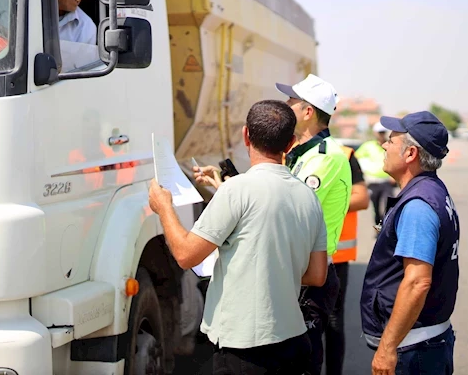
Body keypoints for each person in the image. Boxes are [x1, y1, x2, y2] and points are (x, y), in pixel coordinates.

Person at [148, 100, 328, 375]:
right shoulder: (308, 196)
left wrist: (164, 208)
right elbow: (317, 275)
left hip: (244, 348)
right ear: (290, 143)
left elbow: (185, 255)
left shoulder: (236, 190)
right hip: (294, 341)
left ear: (246, 135)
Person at [360, 111, 459, 375]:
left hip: (413, 350)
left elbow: (417, 282)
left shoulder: (418, 206)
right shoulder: (430, 190)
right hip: (422, 344)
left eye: (391, 140)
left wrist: (387, 348)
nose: (384, 145)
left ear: (410, 154)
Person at [276, 74, 352, 375]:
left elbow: (290, 208)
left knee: (304, 361)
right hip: (298, 269)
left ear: (308, 112)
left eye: (291, 102)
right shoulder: (303, 153)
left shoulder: (327, 157)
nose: (284, 106)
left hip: (311, 274)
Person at [325, 145, 369, 375]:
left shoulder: (344, 154)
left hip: (335, 256)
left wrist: (321, 202)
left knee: (333, 322)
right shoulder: (284, 151)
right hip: (295, 255)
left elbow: (361, 199)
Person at [356, 121, 397, 227]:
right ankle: (378, 227)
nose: (381, 135)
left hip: (386, 181)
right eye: (380, 132)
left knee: (388, 205)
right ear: (375, 133)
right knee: (376, 207)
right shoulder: (368, 146)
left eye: (383, 132)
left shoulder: (389, 146)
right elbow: (356, 158)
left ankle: (387, 226)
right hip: (372, 182)